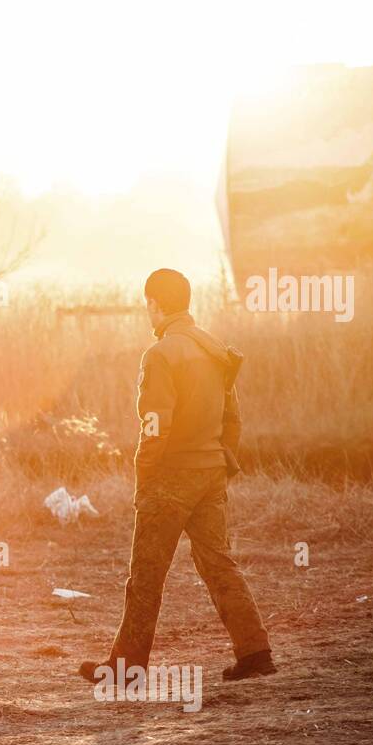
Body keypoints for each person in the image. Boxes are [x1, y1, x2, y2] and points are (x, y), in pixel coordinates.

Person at [79, 268, 276, 685]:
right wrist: (223, 462)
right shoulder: (214, 348)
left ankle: (125, 668)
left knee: (147, 573)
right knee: (220, 564)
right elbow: (232, 418)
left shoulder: (161, 354)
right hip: (210, 472)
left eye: (146, 305)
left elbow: (154, 425)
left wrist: (145, 476)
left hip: (171, 476)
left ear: (155, 303)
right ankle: (255, 653)